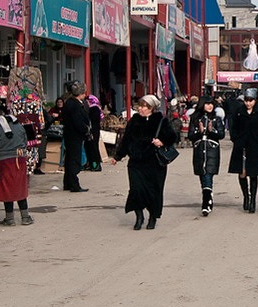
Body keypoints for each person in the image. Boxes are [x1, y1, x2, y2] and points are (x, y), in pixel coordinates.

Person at [111, 95, 177, 229]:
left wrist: (161, 141)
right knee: (136, 190)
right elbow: (126, 140)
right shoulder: (134, 121)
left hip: (155, 163)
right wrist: (117, 156)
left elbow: (172, 136)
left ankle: (153, 217)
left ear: (151, 108)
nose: (140, 109)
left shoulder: (160, 120)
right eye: (139, 106)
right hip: (136, 162)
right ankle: (139, 217)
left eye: (143, 106)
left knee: (154, 190)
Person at [0, 109, 33, 226]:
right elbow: (25, 141)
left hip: (4, 161)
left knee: (7, 188)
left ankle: (10, 218)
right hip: (19, 159)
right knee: (20, 186)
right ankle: (25, 216)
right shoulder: (18, 126)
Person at [229, 88, 258, 213]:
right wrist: (235, 139)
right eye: (246, 101)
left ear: (255, 100)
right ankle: (245, 196)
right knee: (242, 172)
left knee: (253, 173)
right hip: (241, 145)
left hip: (254, 145)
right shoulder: (239, 111)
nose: (248, 103)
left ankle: (253, 199)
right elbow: (233, 127)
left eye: (251, 101)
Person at [188, 97, 226, 216]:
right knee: (202, 175)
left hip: (212, 150)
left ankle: (206, 203)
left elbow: (221, 134)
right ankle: (208, 198)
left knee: (208, 175)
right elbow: (190, 135)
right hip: (199, 149)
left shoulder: (217, 119)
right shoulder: (195, 118)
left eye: (211, 104)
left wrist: (212, 130)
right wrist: (199, 132)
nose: (210, 106)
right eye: (207, 104)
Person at [61, 81, 91, 192]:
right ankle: (74, 184)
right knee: (74, 159)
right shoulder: (75, 105)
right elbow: (78, 121)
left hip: (70, 135)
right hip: (74, 136)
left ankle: (68, 183)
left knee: (69, 159)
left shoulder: (69, 103)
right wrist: (86, 129)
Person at [83, 94, 103, 171]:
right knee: (90, 147)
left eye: (87, 101)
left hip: (93, 131)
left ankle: (96, 165)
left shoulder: (94, 108)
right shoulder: (94, 108)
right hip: (93, 130)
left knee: (93, 148)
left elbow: (92, 121)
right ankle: (91, 164)